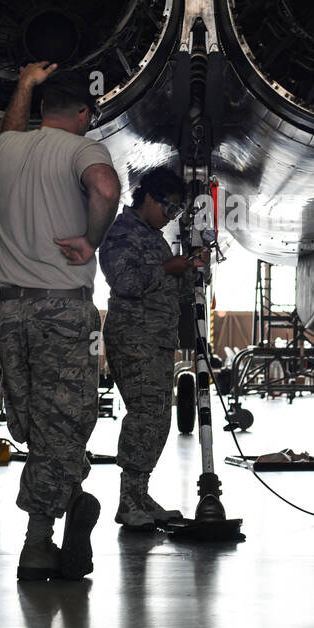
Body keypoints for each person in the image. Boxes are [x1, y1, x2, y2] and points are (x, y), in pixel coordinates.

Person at [0, 61, 121, 582]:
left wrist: (23, 83)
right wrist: (91, 239)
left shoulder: (8, 149)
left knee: (30, 425)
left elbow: (9, 128)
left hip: (10, 309)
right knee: (62, 425)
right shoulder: (84, 149)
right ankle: (41, 539)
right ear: (85, 114)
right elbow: (106, 189)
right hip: (62, 308)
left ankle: (64, 509)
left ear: (41, 111)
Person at [100, 166, 205, 530]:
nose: (170, 217)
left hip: (156, 340)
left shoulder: (152, 236)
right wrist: (168, 268)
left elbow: (170, 288)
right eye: (169, 208)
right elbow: (125, 281)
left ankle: (140, 494)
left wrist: (189, 269)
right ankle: (129, 500)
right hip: (134, 338)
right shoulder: (122, 233)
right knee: (145, 415)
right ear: (147, 198)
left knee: (159, 417)